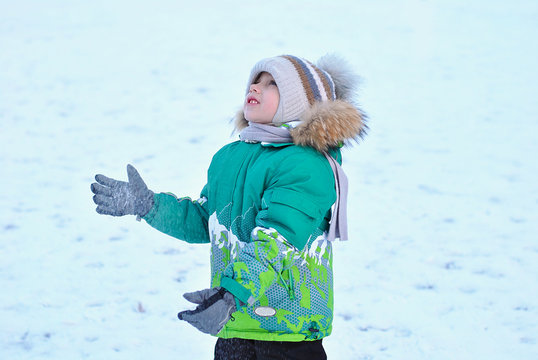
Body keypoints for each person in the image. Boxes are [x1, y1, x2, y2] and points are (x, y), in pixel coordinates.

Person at [91, 54, 366, 359]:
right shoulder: (229, 157)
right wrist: (150, 206)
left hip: (289, 329)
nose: (256, 88)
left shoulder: (307, 165)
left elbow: (279, 242)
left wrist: (232, 293)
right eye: (255, 81)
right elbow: (207, 221)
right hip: (235, 324)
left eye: (272, 83)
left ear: (299, 103)